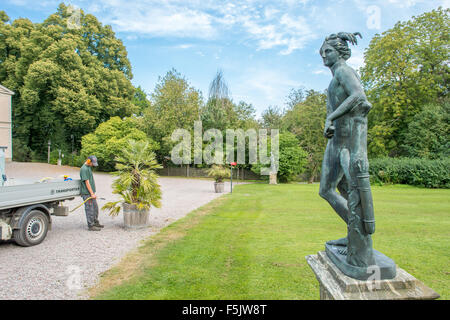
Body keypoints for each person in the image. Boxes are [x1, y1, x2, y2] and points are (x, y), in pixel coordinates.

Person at [318, 32, 376, 268]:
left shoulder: (343, 70)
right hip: (337, 140)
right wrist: (330, 123)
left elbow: (358, 96)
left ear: (340, 52)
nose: (323, 55)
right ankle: (353, 233)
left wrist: (331, 117)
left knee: (328, 190)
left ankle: (358, 233)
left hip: (346, 141)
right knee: (337, 189)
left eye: (328, 51)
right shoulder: (335, 77)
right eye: (321, 51)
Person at [80, 155, 104, 231]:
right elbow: (87, 182)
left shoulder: (88, 167)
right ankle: (91, 225)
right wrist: (92, 193)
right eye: (92, 163)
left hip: (91, 193)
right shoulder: (83, 169)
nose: (93, 165)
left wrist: (93, 193)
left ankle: (95, 222)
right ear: (88, 161)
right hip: (87, 193)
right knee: (90, 209)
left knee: (95, 208)